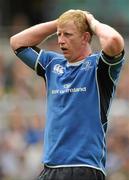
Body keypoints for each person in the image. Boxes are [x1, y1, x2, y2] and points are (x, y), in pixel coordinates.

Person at [10, 9, 125, 180]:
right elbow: (16, 42)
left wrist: (91, 21)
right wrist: (60, 22)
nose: (60, 41)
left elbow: (114, 40)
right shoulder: (51, 64)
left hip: (85, 168)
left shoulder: (99, 67)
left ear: (85, 37)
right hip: (51, 168)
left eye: (68, 35)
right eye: (59, 35)